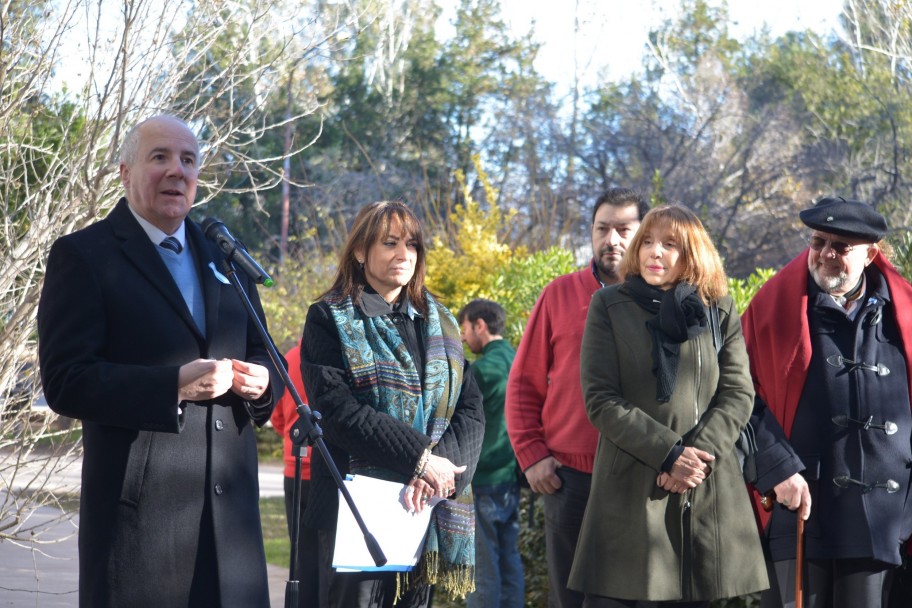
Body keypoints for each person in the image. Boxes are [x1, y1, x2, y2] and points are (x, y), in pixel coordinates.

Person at [37, 115, 282, 608]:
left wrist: (263, 382)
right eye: (160, 157)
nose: (177, 170)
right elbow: (66, 381)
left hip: (231, 527)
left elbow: (264, 351)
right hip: (142, 530)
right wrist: (172, 385)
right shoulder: (84, 256)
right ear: (125, 172)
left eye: (188, 160)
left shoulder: (225, 254)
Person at [569, 204, 769, 607]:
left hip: (701, 490)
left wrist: (695, 459)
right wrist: (668, 454)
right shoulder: (608, 306)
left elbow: (738, 392)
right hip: (629, 491)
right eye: (647, 242)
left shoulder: (719, 309)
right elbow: (601, 399)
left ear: (693, 253)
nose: (653, 252)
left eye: (669, 244)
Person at [298, 200, 485, 608]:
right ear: (361, 252)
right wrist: (419, 458)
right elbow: (338, 412)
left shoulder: (442, 322)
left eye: (412, 245)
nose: (404, 255)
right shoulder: (329, 318)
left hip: (425, 509)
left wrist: (438, 472)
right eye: (390, 243)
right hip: (355, 514)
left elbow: (470, 410)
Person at [742, 197, 912, 608]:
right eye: (818, 242)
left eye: (841, 246)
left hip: (887, 522)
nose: (825, 255)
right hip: (800, 510)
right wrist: (776, 470)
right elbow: (739, 399)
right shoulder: (770, 312)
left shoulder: (904, 313)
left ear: (870, 254)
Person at [506, 187, 648, 608]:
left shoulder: (667, 299)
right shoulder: (559, 294)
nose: (612, 240)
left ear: (644, 233)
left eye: (624, 229)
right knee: (571, 599)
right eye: (603, 229)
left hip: (644, 479)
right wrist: (531, 454)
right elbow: (522, 384)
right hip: (570, 480)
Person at [458, 299, 524, 608]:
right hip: (513, 476)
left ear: (479, 326)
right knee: (510, 562)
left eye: (464, 328)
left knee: (481, 571)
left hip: (482, 477)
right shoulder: (520, 360)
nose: (462, 337)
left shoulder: (481, 370)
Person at [270, 341, 320, 607]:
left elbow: (277, 416)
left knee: (302, 556)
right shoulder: (332, 352)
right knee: (327, 558)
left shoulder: (288, 358)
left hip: (294, 468)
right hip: (326, 471)